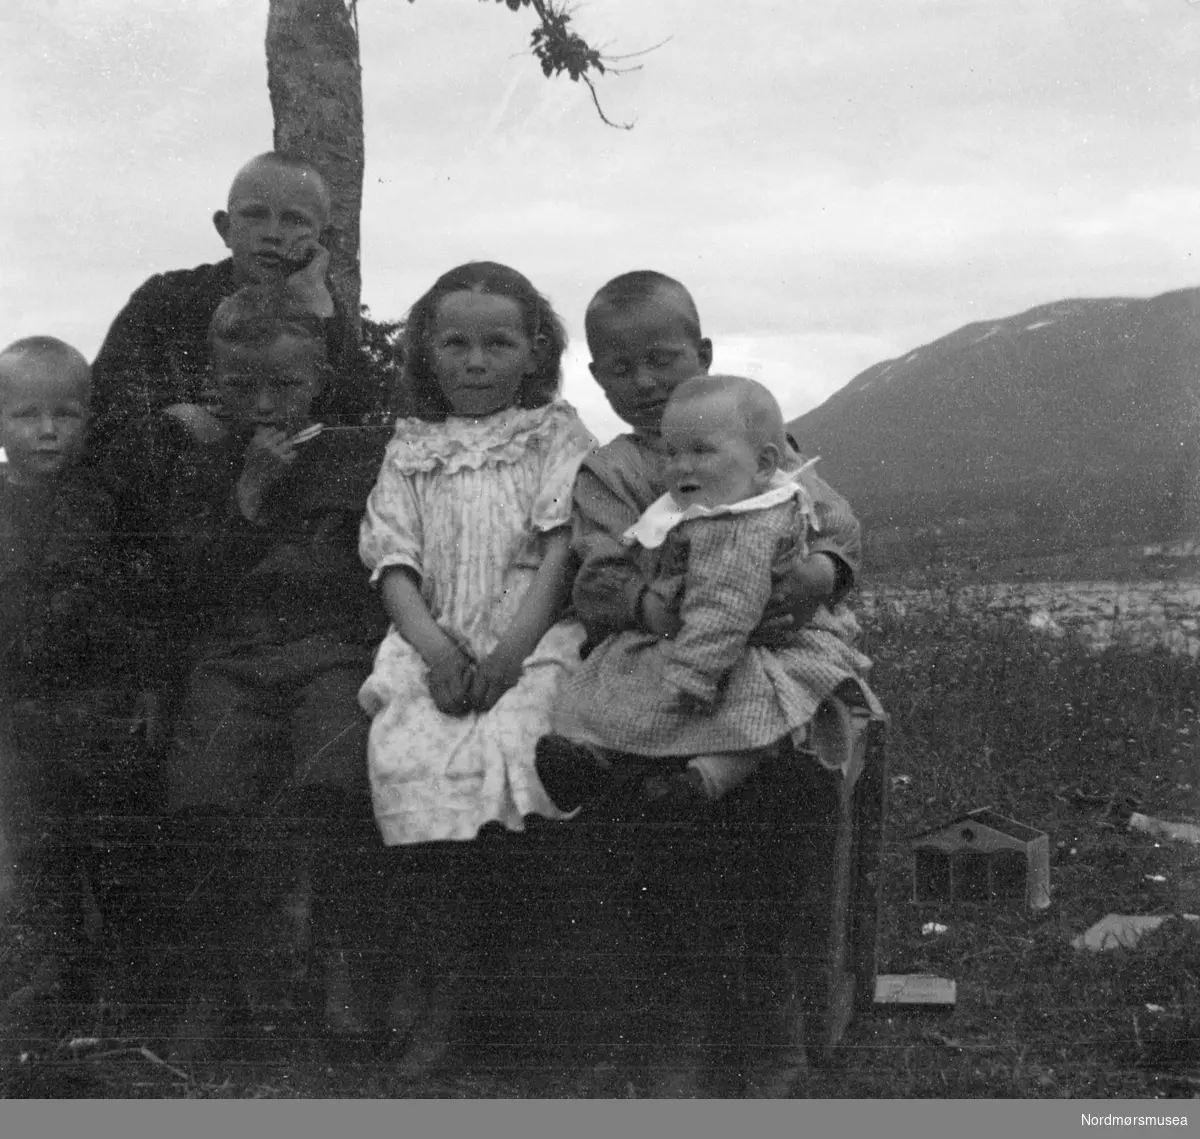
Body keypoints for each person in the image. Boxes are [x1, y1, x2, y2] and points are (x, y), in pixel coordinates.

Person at [532, 271, 877, 1097]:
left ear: (704, 354)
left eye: (662, 360)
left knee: (784, 804)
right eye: (619, 369)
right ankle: (676, 1024)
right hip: (668, 663)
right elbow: (597, 577)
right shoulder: (610, 471)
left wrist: (822, 570)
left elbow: (834, 519)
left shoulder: (761, 442)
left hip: (766, 656)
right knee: (648, 836)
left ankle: (772, 1026)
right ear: (597, 378)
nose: (644, 383)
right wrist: (656, 601)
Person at [124, 282, 386, 1057]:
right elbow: (185, 584)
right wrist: (245, 496)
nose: (266, 404)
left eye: (286, 385)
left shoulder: (354, 456)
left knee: (335, 781)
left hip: (331, 652)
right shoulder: (197, 460)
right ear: (212, 380)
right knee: (205, 794)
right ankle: (215, 986)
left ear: (320, 383)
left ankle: (341, 970)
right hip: (232, 658)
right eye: (242, 386)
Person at [357, 261, 596, 1070]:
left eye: (499, 343)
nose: (476, 360)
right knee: (408, 757)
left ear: (534, 350)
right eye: (454, 343)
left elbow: (563, 551)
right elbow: (393, 560)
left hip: (529, 640)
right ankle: (443, 987)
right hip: (435, 642)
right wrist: (435, 652)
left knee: (519, 753)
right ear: (427, 352)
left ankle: (519, 995)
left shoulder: (555, 434)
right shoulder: (411, 448)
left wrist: (508, 655)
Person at [550, 373, 881, 807]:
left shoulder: (746, 524)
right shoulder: (707, 501)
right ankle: (599, 758)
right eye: (671, 454)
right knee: (625, 681)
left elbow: (727, 608)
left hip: (747, 642)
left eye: (701, 452)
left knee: (754, 709)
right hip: (700, 633)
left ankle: (701, 779)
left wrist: (693, 676)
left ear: (764, 465)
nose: (681, 465)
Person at [0, 337, 132, 998]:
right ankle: (50, 978)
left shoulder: (104, 504)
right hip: (15, 706)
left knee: (108, 845)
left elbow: (124, 607)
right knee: (33, 847)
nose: (48, 431)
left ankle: (122, 981)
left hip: (93, 703)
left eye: (67, 414)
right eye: (26, 415)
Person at [88, 151, 368, 460]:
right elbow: (101, 413)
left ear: (323, 238)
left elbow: (354, 423)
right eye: (255, 215)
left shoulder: (322, 308)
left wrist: (318, 303)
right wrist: (182, 422)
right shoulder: (166, 300)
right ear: (225, 228)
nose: (272, 234)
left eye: (294, 219)